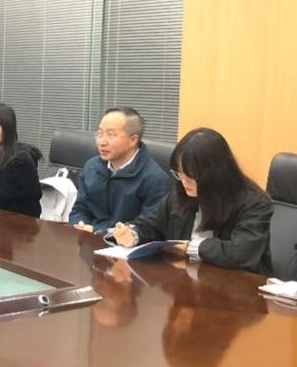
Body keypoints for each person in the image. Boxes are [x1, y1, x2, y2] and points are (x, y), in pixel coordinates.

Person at [111, 127, 273, 275]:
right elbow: (152, 225)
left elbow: (241, 254)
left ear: (216, 173)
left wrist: (191, 247)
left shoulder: (254, 203)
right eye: (179, 173)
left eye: (191, 176)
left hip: (238, 287)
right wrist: (133, 233)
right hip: (188, 282)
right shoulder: (181, 194)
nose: (184, 182)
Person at [70, 107, 169, 233]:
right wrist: (80, 224)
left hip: (125, 243)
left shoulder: (155, 179)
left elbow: (147, 229)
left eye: (110, 135)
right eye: (100, 133)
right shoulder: (91, 167)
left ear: (133, 140)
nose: (102, 142)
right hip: (86, 238)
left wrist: (97, 231)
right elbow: (80, 209)